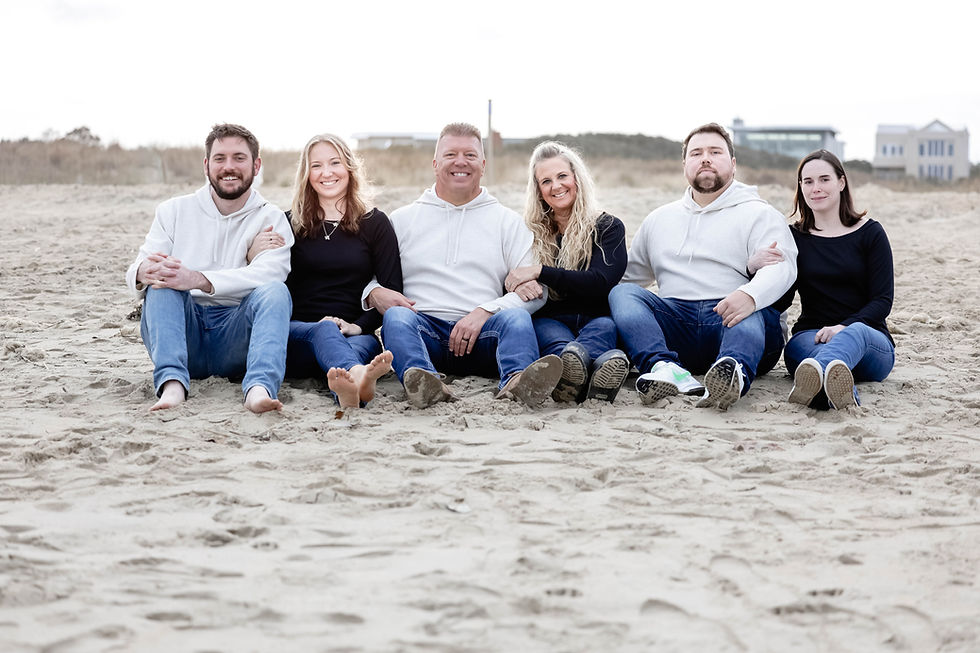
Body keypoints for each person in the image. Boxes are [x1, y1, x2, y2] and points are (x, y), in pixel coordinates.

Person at [365, 122, 562, 408]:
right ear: (435, 163)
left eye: (470, 155)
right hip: (424, 331)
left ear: (482, 164)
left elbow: (536, 293)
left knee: (516, 319)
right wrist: (373, 292)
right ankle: (426, 383)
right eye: (450, 155)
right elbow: (369, 276)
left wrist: (485, 311)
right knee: (396, 319)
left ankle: (517, 381)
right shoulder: (402, 220)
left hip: (484, 335)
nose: (460, 162)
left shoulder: (507, 222)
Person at [608, 122, 797, 410]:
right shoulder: (660, 219)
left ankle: (732, 374)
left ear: (732, 164)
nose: (705, 158)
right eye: (696, 153)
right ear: (685, 164)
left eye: (715, 152)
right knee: (621, 295)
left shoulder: (759, 213)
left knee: (749, 308)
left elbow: (782, 268)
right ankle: (663, 366)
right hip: (676, 324)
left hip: (732, 319)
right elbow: (627, 278)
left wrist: (749, 295)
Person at [125, 124, 294, 413]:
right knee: (163, 282)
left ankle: (259, 387)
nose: (229, 167)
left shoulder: (271, 218)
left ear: (256, 165)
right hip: (182, 332)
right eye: (220, 158)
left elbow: (270, 274)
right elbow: (138, 268)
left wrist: (198, 278)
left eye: (239, 158)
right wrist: (142, 273)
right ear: (206, 165)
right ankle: (172, 385)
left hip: (236, 335)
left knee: (276, 292)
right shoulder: (173, 211)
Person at [246, 134, 400, 411]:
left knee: (360, 349)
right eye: (316, 166)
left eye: (335, 163)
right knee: (329, 335)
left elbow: (391, 291)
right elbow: (261, 281)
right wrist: (251, 253)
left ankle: (347, 391)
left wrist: (358, 326)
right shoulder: (287, 223)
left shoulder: (375, 223)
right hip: (296, 333)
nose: (326, 173)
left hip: (354, 334)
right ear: (306, 174)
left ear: (349, 168)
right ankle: (357, 376)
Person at [504, 141, 628, 403]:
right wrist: (516, 282)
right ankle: (587, 376)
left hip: (597, 317)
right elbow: (510, 273)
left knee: (605, 328)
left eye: (562, 176)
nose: (556, 186)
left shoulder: (607, 227)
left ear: (577, 178)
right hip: (550, 319)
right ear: (538, 190)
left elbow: (601, 281)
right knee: (560, 347)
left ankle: (581, 377)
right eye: (546, 181)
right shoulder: (529, 231)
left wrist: (539, 271)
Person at [769, 149, 894, 409]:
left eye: (824, 179)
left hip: (870, 340)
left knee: (855, 333)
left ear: (841, 182)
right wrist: (759, 268)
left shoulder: (871, 233)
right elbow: (781, 300)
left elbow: (882, 301)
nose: (816, 188)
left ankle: (818, 381)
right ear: (801, 187)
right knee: (800, 350)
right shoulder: (794, 237)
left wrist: (843, 328)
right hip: (810, 337)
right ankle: (836, 388)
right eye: (808, 181)